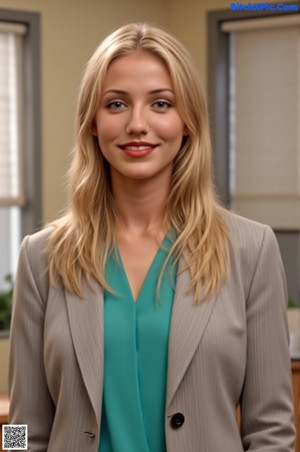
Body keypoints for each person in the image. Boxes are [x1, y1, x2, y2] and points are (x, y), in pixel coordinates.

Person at [8, 22, 295, 452]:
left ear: (187, 123)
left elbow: (272, 430)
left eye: (161, 103)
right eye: (117, 104)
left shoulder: (251, 250)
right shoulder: (40, 256)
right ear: (91, 122)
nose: (137, 124)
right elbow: (21, 428)